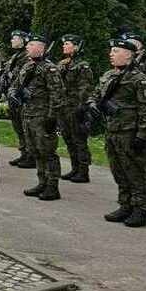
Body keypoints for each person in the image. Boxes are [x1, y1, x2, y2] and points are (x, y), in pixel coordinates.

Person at [90, 37, 146, 227]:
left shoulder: (138, 78)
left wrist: (142, 135)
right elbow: (94, 94)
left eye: (115, 51)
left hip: (129, 132)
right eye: (111, 51)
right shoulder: (108, 75)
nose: (111, 54)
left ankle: (140, 210)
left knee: (136, 172)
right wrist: (92, 104)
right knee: (118, 170)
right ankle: (125, 205)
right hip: (112, 130)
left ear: (128, 56)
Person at [10, 33, 64, 201]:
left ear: (41, 48)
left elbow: (57, 94)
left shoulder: (50, 68)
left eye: (31, 44)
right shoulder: (27, 66)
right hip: (28, 114)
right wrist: (14, 94)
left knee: (47, 151)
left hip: (42, 117)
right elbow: (16, 85)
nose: (27, 47)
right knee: (35, 151)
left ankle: (52, 186)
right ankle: (42, 181)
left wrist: (52, 117)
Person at [125, 31, 146, 201]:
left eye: (133, 42)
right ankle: (137, 189)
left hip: (144, 115)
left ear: (140, 46)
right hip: (129, 117)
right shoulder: (127, 65)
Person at [57, 34, 94, 184]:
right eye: (64, 44)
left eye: (67, 44)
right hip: (64, 107)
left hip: (75, 108)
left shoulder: (82, 65)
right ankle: (75, 168)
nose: (64, 46)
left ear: (77, 46)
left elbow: (85, 87)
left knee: (79, 139)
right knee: (68, 138)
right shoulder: (63, 63)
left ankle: (83, 171)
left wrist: (81, 106)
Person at [2, 30, 33, 167]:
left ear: (24, 40)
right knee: (18, 127)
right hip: (13, 96)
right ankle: (24, 153)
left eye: (15, 38)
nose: (12, 41)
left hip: (21, 98)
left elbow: (21, 77)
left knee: (25, 127)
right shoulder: (16, 56)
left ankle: (30, 155)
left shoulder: (26, 57)